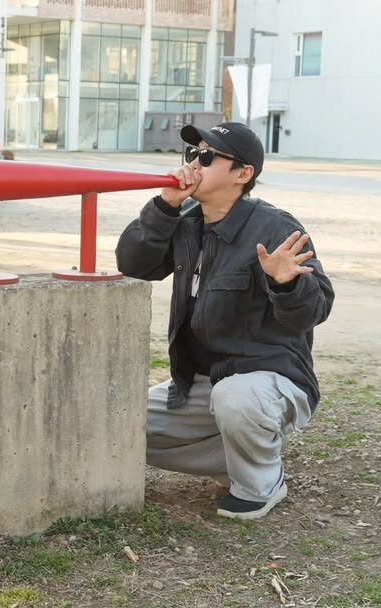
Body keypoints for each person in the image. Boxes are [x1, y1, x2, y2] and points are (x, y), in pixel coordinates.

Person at [116, 123, 334, 520]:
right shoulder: (186, 221)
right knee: (118, 425)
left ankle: (260, 482)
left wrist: (286, 284)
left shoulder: (276, 228)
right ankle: (236, 458)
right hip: (202, 381)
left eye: (207, 156)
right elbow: (133, 265)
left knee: (235, 398)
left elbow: (314, 311)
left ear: (243, 174)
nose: (194, 164)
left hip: (268, 377)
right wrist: (164, 206)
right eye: (191, 154)